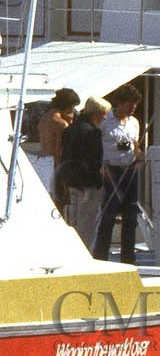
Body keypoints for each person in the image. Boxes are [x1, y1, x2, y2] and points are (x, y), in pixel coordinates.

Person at [94, 85, 143, 264]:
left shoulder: (134, 122)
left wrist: (138, 154)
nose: (133, 108)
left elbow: (136, 144)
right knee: (109, 214)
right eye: (130, 104)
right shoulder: (105, 122)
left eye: (135, 105)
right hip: (111, 171)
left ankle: (128, 258)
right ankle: (101, 257)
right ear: (120, 103)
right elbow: (96, 147)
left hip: (130, 171)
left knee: (131, 216)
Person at [60, 96, 108, 247]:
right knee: (87, 227)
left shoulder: (69, 130)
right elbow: (94, 161)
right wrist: (98, 182)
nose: (105, 117)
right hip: (88, 185)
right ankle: (86, 255)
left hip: (72, 183)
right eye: (104, 114)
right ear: (97, 113)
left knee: (73, 224)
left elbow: (64, 156)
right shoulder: (93, 133)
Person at [36, 87, 79, 206]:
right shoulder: (61, 124)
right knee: (59, 203)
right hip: (56, 164)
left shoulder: (45, 118)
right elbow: (60, 150)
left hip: (42, 160)